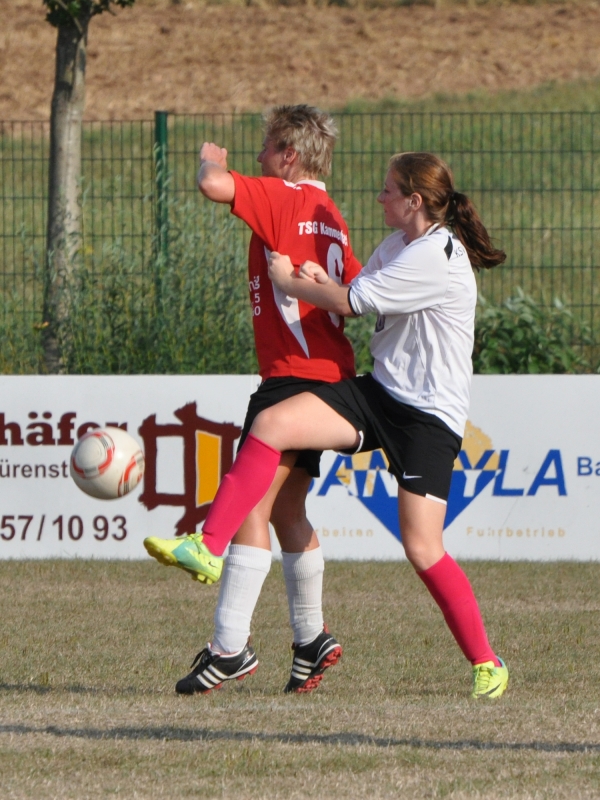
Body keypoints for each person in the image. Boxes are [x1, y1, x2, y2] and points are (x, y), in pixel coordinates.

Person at [164, 151, 509, 699]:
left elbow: (351, 302)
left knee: (423, 548)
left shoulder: (437, 254)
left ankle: (487, 662)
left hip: (428, 418)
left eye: (388, 190)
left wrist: (292, 282)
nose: (380, 197)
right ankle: (208, 544)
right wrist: (322, 276)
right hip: (380, 394)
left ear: (414, 201)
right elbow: (358, 283)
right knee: (273, 424)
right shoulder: (398, 245)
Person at [144, 105, 363, 694]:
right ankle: (311, 639)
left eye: (266, 148)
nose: (258, 158)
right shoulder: (332, 217)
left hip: (292, 377)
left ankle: (229, 648)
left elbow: (214, 185)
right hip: (326, 374)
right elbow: (352, 292)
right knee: (287, 510)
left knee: (250, 507)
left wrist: (208, 159)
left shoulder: (284, 195)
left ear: (289, 156)